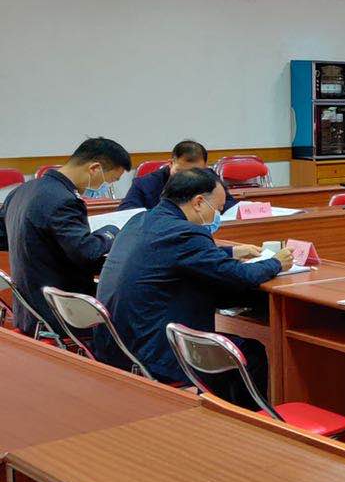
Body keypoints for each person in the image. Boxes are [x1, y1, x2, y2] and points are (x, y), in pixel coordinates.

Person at [96, 169, 289, 404]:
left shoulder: (141, 221)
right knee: (249, 353)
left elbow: (173, 253)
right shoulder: (186, 233)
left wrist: (231, 251)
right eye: (217, 209)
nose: (217, 215)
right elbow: (240, 276)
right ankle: (245, 419)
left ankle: (218, 409)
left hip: (117, 345)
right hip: (153, 351)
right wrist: (276, 262)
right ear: (198, 202)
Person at [0, 137, 131, 337]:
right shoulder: (63, 200)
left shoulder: (22, 190)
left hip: (28, 310)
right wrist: (112, 231)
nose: (107, 186)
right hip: (60, 314)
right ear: (94, 168)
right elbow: (88, 253)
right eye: (111, 180)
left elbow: (4, 238)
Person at [118, 140, 237, 212]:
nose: (187, 178)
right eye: (180, 171)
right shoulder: (145, 184)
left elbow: (230, 206)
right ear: (171, 164)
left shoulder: (210, 179)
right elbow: (126, 212)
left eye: (196, 172)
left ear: (205, 168)